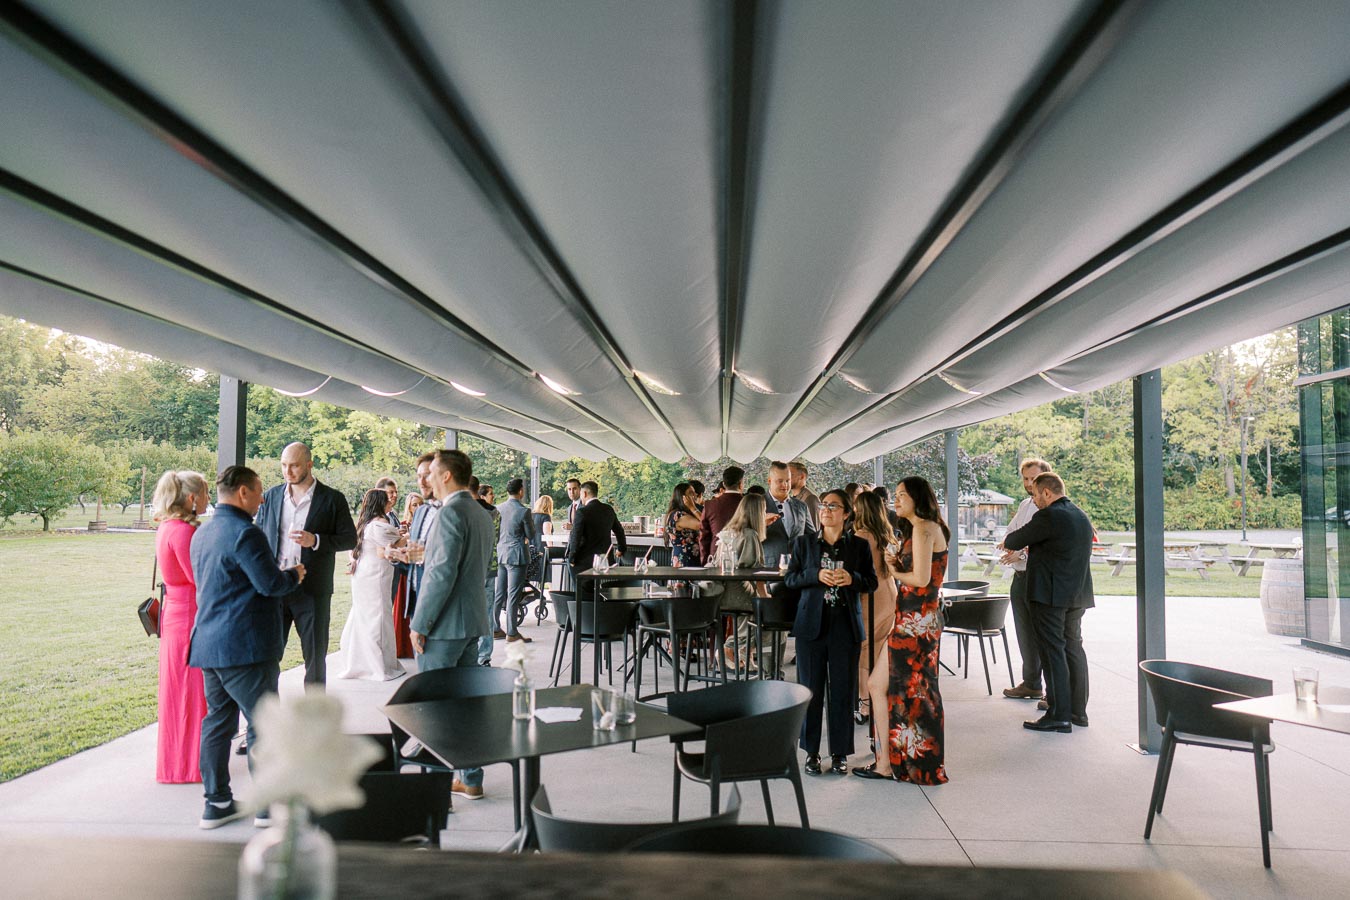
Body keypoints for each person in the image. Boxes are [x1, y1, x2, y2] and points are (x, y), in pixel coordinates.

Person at [189, 466, 305, 828]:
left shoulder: (202, 533)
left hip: (209, 643)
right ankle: (267, 807)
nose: (262, 500)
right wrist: (294, 575)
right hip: (246, 647)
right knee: (263, 725)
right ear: (242, 492)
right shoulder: (246, 533)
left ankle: (216, 802)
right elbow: (270, 584)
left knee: (217, 723)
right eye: (258, 493)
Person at [410, 448, 494, 799]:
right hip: (472, 621)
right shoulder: (479, 512)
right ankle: (470, 778)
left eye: (432, 472)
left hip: (444, 627)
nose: (427, 477)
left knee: (436, 709)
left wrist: (420, 623)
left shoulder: (450, 513)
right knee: (464, 706)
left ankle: (436, 787)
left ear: (446, 475)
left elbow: (441, 574)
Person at [861, 476, 949, 784]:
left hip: (917, 621)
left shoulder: (924, 528)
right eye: (895, 495)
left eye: (902, 495)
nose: (895, 500)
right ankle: (887, 761)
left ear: (917, 498)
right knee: (884, 686)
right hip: (913, 618)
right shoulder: (921, 529)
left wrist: (892, 569)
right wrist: (896, 560)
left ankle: (902, 764)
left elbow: (921, 579)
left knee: (916, 691)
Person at [785, 489, 876, 777]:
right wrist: (815, 575)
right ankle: (811, 753)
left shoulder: (859, 546)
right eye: (823, 505)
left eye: (833, 506)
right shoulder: (804, 543)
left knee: (842, 693)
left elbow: (871, 582)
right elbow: (790, 578)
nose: (825, 510)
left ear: (846, 513)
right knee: (809, 692)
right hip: (810, 628)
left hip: (845, 627)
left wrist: (852, 578)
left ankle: (840, 754)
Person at [255, 442, 357, 689]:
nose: (287, 471)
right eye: (283, 465)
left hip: (312, 590)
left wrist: (316, 540)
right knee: (268, 656)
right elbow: (258, 535)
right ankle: (267, 709)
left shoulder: (332, 499)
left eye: (294, 466)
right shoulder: (271, 496)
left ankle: (314, 711)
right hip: (276, 587)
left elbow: (350, 539)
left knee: (315, 659)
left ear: (309, 465)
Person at [1002, 472, 1095, 733]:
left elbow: (1013, 540)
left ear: (1046, 492)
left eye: (1035, 495)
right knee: (1073, 649)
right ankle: (1077, 712)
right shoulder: (1081, 515)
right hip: (1077, 594)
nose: (1034, 500)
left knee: (1052, 652)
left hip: (1050, 595)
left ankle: (1058, 714)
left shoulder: (1049, 516)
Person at [152, 469, 210, 784]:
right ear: (191, 498)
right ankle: (188, 766)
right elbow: (199, 579)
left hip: (175, 615)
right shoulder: (183, 533)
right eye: (205, 493)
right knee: (190, 692)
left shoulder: (166, 527)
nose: (209, 499)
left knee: (178, 693)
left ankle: (178, 763)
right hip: (188, 617)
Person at [334, 489, 407, 682]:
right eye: (387, 499)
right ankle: (378, 665)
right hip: (376, 574)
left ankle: (361, 661)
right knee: (378, 615)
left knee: (364, 614)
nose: (391, 501)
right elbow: (395, 545)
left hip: (364, 573)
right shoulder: (379, 524)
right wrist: (409, 535)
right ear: (380, 503)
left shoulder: (365, 523)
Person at [998, 458, 1052, 701]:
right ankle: (1031, 683)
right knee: (1024, 634)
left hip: (1037, 577)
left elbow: (1041, 542)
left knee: (1043, 635)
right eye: (1026, 479)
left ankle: (1052, 691)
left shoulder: (1049, 508)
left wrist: (1020, 551)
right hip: (1019, 577)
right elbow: (1011, 532)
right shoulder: (1024, 504)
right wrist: (1013, 547)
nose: (1029, 484)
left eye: (1033, 479)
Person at [851, 492, 899, 752]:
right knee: (880, 646)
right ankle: (879, 697)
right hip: (889, 592)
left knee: (865, 647)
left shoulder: (861, 536)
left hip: (870, 596)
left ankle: (865, 702)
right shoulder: (886, 534)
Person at [715, 492, 771, 671]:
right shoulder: (750, 535)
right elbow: (755, 572)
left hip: (722, 592)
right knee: (763, 610)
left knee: (751, 613)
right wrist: (765, 596)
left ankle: (745, 653)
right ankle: (730, 647)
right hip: (740, 591)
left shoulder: (727, 531)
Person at [494, 478, 537, 644]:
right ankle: (512, 632)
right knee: (513, 595)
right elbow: (531, 534)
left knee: (499, 593)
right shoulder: (524, 511)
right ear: (521, 491)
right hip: (517, 556)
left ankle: (495, 628)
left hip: (501, 554)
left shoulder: (498, 508)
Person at [565, 481, 627, 574]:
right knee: (604, 584)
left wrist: (572, 558)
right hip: (605, 561)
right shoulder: (608, 509)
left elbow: (575, 537)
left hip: (584, 563)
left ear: (584, 493)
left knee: (579, 582)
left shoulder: (582, 512)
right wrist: (621, 549)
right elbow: (619, 531)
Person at [471, 477, 501, 664]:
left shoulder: (466, 511)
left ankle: (471, 655)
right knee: (487, 612)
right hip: (490, 565)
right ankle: (484, 657)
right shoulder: (494, 512)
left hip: (471, 568)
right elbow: (496, 538)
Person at [699, 465, 746, 564]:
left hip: (716, 556)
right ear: (741, 484)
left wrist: (705, 562)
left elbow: (704, 537)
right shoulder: (747, 503)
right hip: (743, 555)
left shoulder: (710, 505)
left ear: (724, 484)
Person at [663, 482, 702, 567]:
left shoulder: (675, 513)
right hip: (686, 558)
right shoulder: (679, 515)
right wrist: (693, 508)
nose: (695, 495)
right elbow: (705, 524)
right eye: (691, 493)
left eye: (694, 492)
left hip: (687, 557)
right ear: (682, 497)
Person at [788, 461, 821, 530]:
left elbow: (814, 529)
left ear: (802, 476)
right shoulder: (792, 498)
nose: (786, 478)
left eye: (790, 475)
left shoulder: (810, 498)